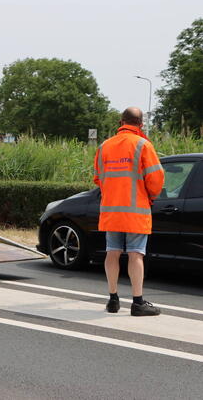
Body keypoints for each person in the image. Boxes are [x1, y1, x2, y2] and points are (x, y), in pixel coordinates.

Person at [93, 107, 164, 316]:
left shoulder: (104, 146)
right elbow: (156, 178)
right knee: (136, 255)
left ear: (120, 121)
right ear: (140, 124)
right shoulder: (143, 145)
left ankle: (113, 300)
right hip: (136, 211)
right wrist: (150, 196)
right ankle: (137, 302)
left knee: (112, 253)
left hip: (111, 210)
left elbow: (98, 177)